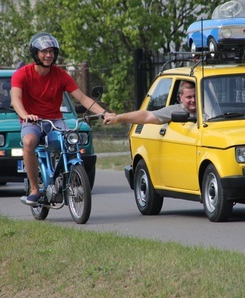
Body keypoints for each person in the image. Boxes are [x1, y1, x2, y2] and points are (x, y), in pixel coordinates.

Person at [11, 32, 111, 205]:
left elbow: (83, 98)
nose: (48, 55)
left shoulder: (61, 75)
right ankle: (35, 189)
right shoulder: (22, 74)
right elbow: (15, 100)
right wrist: (26, 115)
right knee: (28, 142)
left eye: (51, 51)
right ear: (35, 53)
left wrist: (104, 113)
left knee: (71, 143)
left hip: (55, 121)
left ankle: (72, 178)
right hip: (32, 122)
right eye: (44, 51)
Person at [103, 81, 196, 125]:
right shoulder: (175, 110)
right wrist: (118, 118)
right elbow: (146, 116)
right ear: (181, 97)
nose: (193, 100)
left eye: (196, 96)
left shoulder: (209, 108)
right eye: (189, 97)